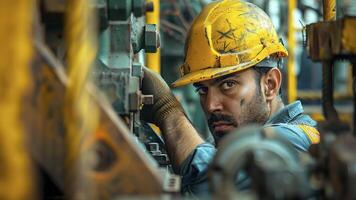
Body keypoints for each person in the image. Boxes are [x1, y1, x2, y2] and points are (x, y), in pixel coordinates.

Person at [141, 0, 320, 195]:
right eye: (202, 90)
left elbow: (213, 188)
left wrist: (167, 110)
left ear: (270, 85)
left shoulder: (297, 142)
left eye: (228, 85)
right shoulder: (222, 145)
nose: (211, 105)